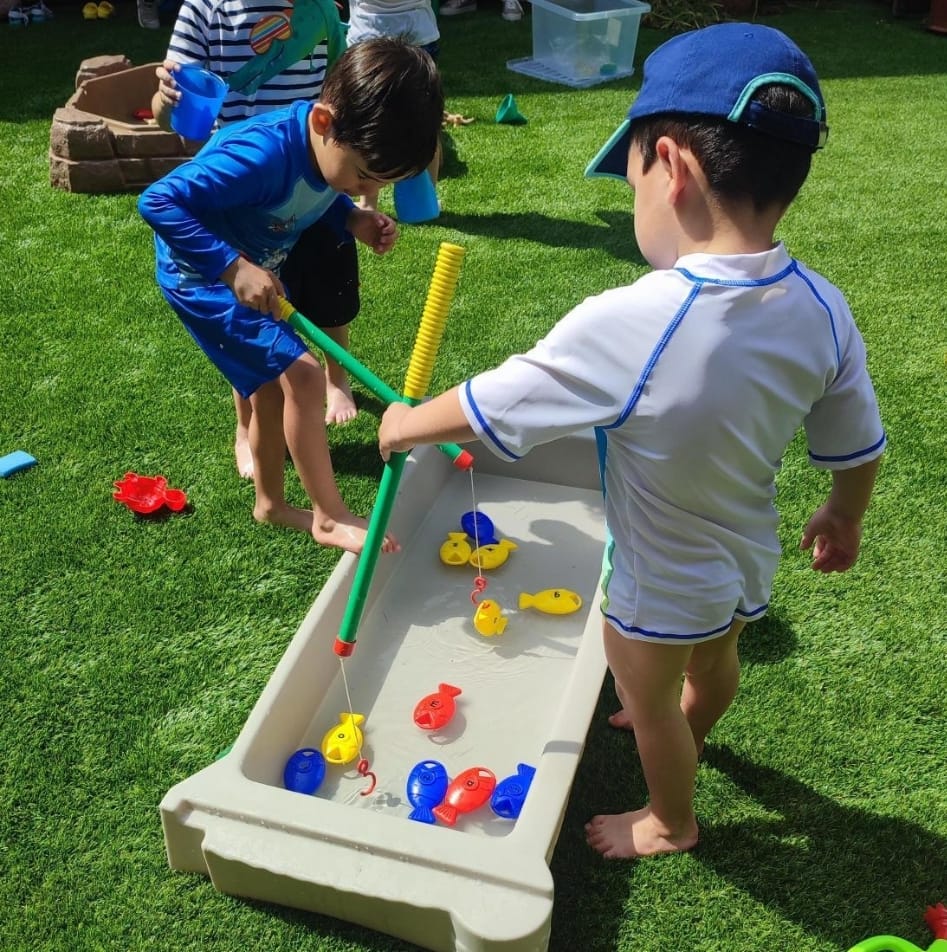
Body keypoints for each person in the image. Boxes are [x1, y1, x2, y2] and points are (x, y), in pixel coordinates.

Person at [377, 23, 885, 857]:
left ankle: (669, 819)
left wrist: (403, 424)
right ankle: (692, 724)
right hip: (744, 555)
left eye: (631, 177)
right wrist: (843, 514)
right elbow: (857, 443)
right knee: (714, 659)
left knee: (643, 703)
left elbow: (495, 399)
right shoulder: (822, 307)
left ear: (672, 168)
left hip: (658, 581)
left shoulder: (636, 317)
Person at [140, 38, 444, 554]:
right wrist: (233, 267)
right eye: (364, 176)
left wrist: (351, 218)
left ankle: (271, 505)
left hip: (244, 269)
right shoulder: (258, 154)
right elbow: (159, 201)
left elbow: (318, 189)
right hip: (202, 279)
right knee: (303, 376)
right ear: (324, 122)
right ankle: (329, 516)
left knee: (269, 392)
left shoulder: (327, 148)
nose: (364, 188)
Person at [150, 0, 363, 487]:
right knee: (256, 317)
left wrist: (353, 207)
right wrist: (166, 98)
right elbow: (169, 113)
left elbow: (343, 91)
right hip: (248, 191)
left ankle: (337, 379)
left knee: (330, 293)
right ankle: (247, 424)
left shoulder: (320, 10)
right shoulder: (206, 10)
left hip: (319, 177)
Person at [345, 0, 442, 212]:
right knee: (424, 122)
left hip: (368, 34)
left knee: (368, 123)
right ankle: (426, 201)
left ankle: (368, 203)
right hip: (418, 32)